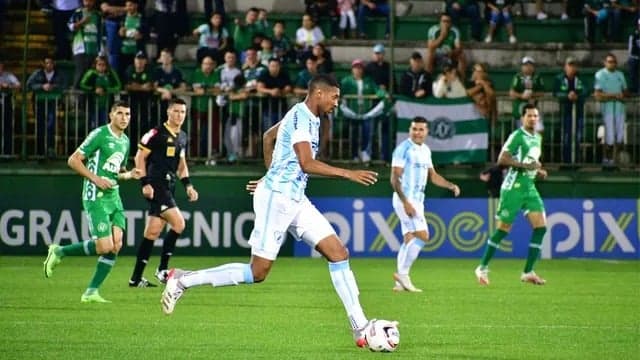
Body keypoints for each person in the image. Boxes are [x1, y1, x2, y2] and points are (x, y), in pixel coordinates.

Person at [160, 74, 390, 349]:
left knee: (338, 253)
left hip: (294, 198)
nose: (337, 103)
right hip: (277, 199)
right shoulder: (302, 118)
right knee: (257, 272)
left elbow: (269, 137)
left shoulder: (306, 116)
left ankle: (360, 327)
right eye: (335, 97)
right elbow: (306, 163)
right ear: (319, 93)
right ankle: (183, 280)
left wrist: (271, 174)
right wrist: (347, 173)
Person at [43, 101, 141, 302]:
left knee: (116, 245)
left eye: (128, 114)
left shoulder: (125, 141)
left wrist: (129, 174)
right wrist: (95, 179)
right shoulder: (99, 134)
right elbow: (73, 160)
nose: (124, 118)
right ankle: (60, 251)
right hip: (94, 195)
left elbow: (116, 171)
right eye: (120, 113)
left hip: (114, 196)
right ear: (111, 115)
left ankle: (91, 292)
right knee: (104, 246)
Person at [475, 104, 549, 286]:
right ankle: (482, 267)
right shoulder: (517, 136)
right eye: (529, 116)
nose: (533, 119)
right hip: (513, 188)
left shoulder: (537, 137)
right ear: (522, 118)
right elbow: (502, 160)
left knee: (541, 227)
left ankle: (528, 272)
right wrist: (526, 167)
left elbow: (531, 160)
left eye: (535, 116)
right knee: (503, 229)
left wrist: (537, 170)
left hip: (529, 187)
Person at [128, 98, 199, 287]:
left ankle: (135, 279)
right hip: (156, 184)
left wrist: (188, 185)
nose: (179, 115)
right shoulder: (156, 133)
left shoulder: (182, 136)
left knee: (152, 232)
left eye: (183, 112)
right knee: (179, 224)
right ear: (168, 113)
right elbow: (139, 157)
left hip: (170, 185)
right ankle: (162, 270)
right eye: (176, 111)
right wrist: (144, 183)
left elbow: (181, 164)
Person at [391, 116, 460, 292]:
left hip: (418, 200)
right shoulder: (403, 149)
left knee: (409, 239)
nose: (417, 132)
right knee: (423, 236)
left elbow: (433, 176)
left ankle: (399, 283)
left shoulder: (425, 150)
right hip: (406, 199)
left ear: (427, 132)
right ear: (410, 130)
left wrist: (450, 185)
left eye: (421, 129)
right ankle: (403, 274)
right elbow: (394, 178)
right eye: (414, 129)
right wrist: (405, 202)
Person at [26, 57, 67, 158]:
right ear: (44, 64)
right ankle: (40, 150)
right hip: (39, 102)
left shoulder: (59, 74)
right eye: (47, 63)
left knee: (51, 125)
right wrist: (41, 86)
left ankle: (50, 148)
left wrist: (54, 87)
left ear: (54, 64)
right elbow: (29, 84)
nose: (49, 65)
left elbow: (64, 85)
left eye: (51, 63)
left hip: (52, 102)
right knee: (40, 125)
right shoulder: (38, 73)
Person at [594, 53, 628, 166]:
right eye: (609, 61)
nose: (612, 64)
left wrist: (623, 95)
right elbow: (598, 95)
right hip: (607, 111)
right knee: (608, 138)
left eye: (613, 62)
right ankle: (606, 161)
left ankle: (615, 161)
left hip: (620, 110)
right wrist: (614, 96)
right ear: (605, 63)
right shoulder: (600, 74)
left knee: (619, 138)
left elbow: (625, 91)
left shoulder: (620, 75)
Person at [553, 57, 588, 164]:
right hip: (565, 112)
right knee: (566, 137)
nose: (572, 68)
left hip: (578, 112)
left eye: (574, 65)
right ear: (565, 67)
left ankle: (576, 161)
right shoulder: (559, 78)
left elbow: (586, 91)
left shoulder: (581, 78)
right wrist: (566, 96)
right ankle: (566, 161)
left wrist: (577, 95)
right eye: (569, 65)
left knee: (577, 137)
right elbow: (555, 92)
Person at [68, 0, 102, 88]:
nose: (88, 3)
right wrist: (82, 22)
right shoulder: (78, 13)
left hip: (94, 49)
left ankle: (88, 100)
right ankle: (76, 97)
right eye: (86, 1)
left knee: (91, 75)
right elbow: (71, 27)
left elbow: (101, 33)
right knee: (80, 72)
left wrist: (100, 50)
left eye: (90, 1)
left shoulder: (98, 15)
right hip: (80, 48)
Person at [509, 56, 544, 133]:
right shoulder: (517, 77)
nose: (528, 67)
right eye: (526, 65)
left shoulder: (537, 77)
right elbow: (511, 93)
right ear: (522, 67)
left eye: (530, 65)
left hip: (534, 111)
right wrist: (521, 96)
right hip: (520, 111)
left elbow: (542, 92)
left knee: (538, 132)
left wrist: (533, 95)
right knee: (523, 134)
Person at [426, 13, 466, 78]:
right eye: (444, 21)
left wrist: (452, 52)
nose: (446, 23)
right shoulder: (433, 29)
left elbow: (458, 48)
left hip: (450, 54)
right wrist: (442, 36)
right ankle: (426, 80)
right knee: (429, 54)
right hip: (437, 54)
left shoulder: (455, 30)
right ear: (440, 22)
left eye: (448, 21)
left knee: (462, 56)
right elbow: (430, 47)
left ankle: (462, 83)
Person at [0, 59, 21, 156]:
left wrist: (8, 86)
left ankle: (7, 152)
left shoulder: (8, 75)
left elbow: (18, 85)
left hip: (6, 105)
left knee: (7, 128)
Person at [627, 19, 640, 95]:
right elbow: (630, 50)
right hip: (635, 57)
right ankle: (634, 88)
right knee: (632, 61)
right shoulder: (633, 35)